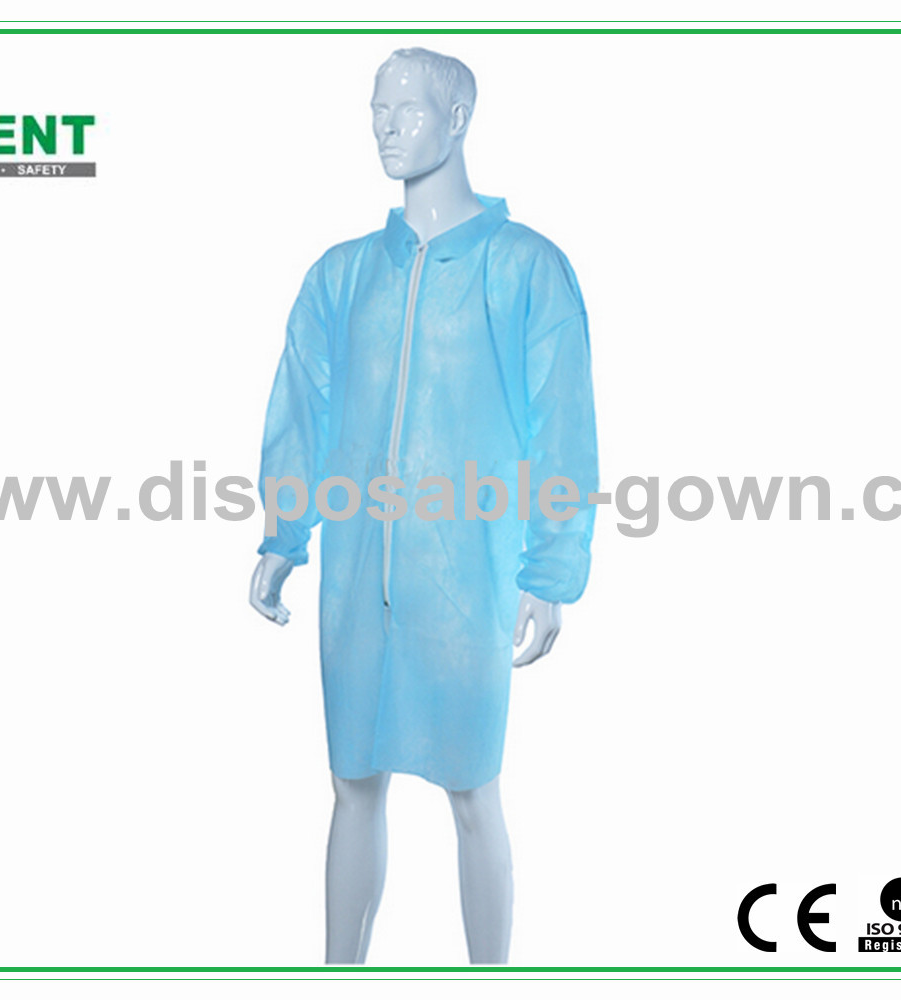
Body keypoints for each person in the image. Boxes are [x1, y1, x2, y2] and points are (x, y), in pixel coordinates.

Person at [250, 46, 599, 965]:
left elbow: (562, 424)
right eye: (376, 111)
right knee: (351, 784)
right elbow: (303, 404)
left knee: (472, 791)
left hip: (466, 578)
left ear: (457, 118)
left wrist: (550, 569)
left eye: (404, 109)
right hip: (356, 581)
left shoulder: (526, 269)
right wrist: (285, 533)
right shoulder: (341, 275)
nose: (385, 127)